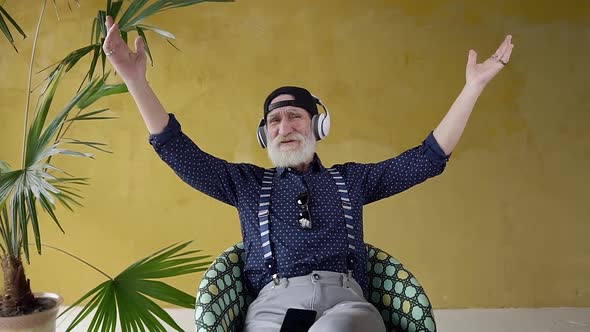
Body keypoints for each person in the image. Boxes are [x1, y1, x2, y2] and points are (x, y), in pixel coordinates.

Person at [102, 15, 513, 332]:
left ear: (317, 125)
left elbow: (428, 157)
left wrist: (472, 88)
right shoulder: (246, 184)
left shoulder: (351, 180)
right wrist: (133, 78)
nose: (284, 127)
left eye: (295, 116)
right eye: (275, 120)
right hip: (273, 307)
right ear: (265, 133)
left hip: (348, 307)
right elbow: (177, 150)